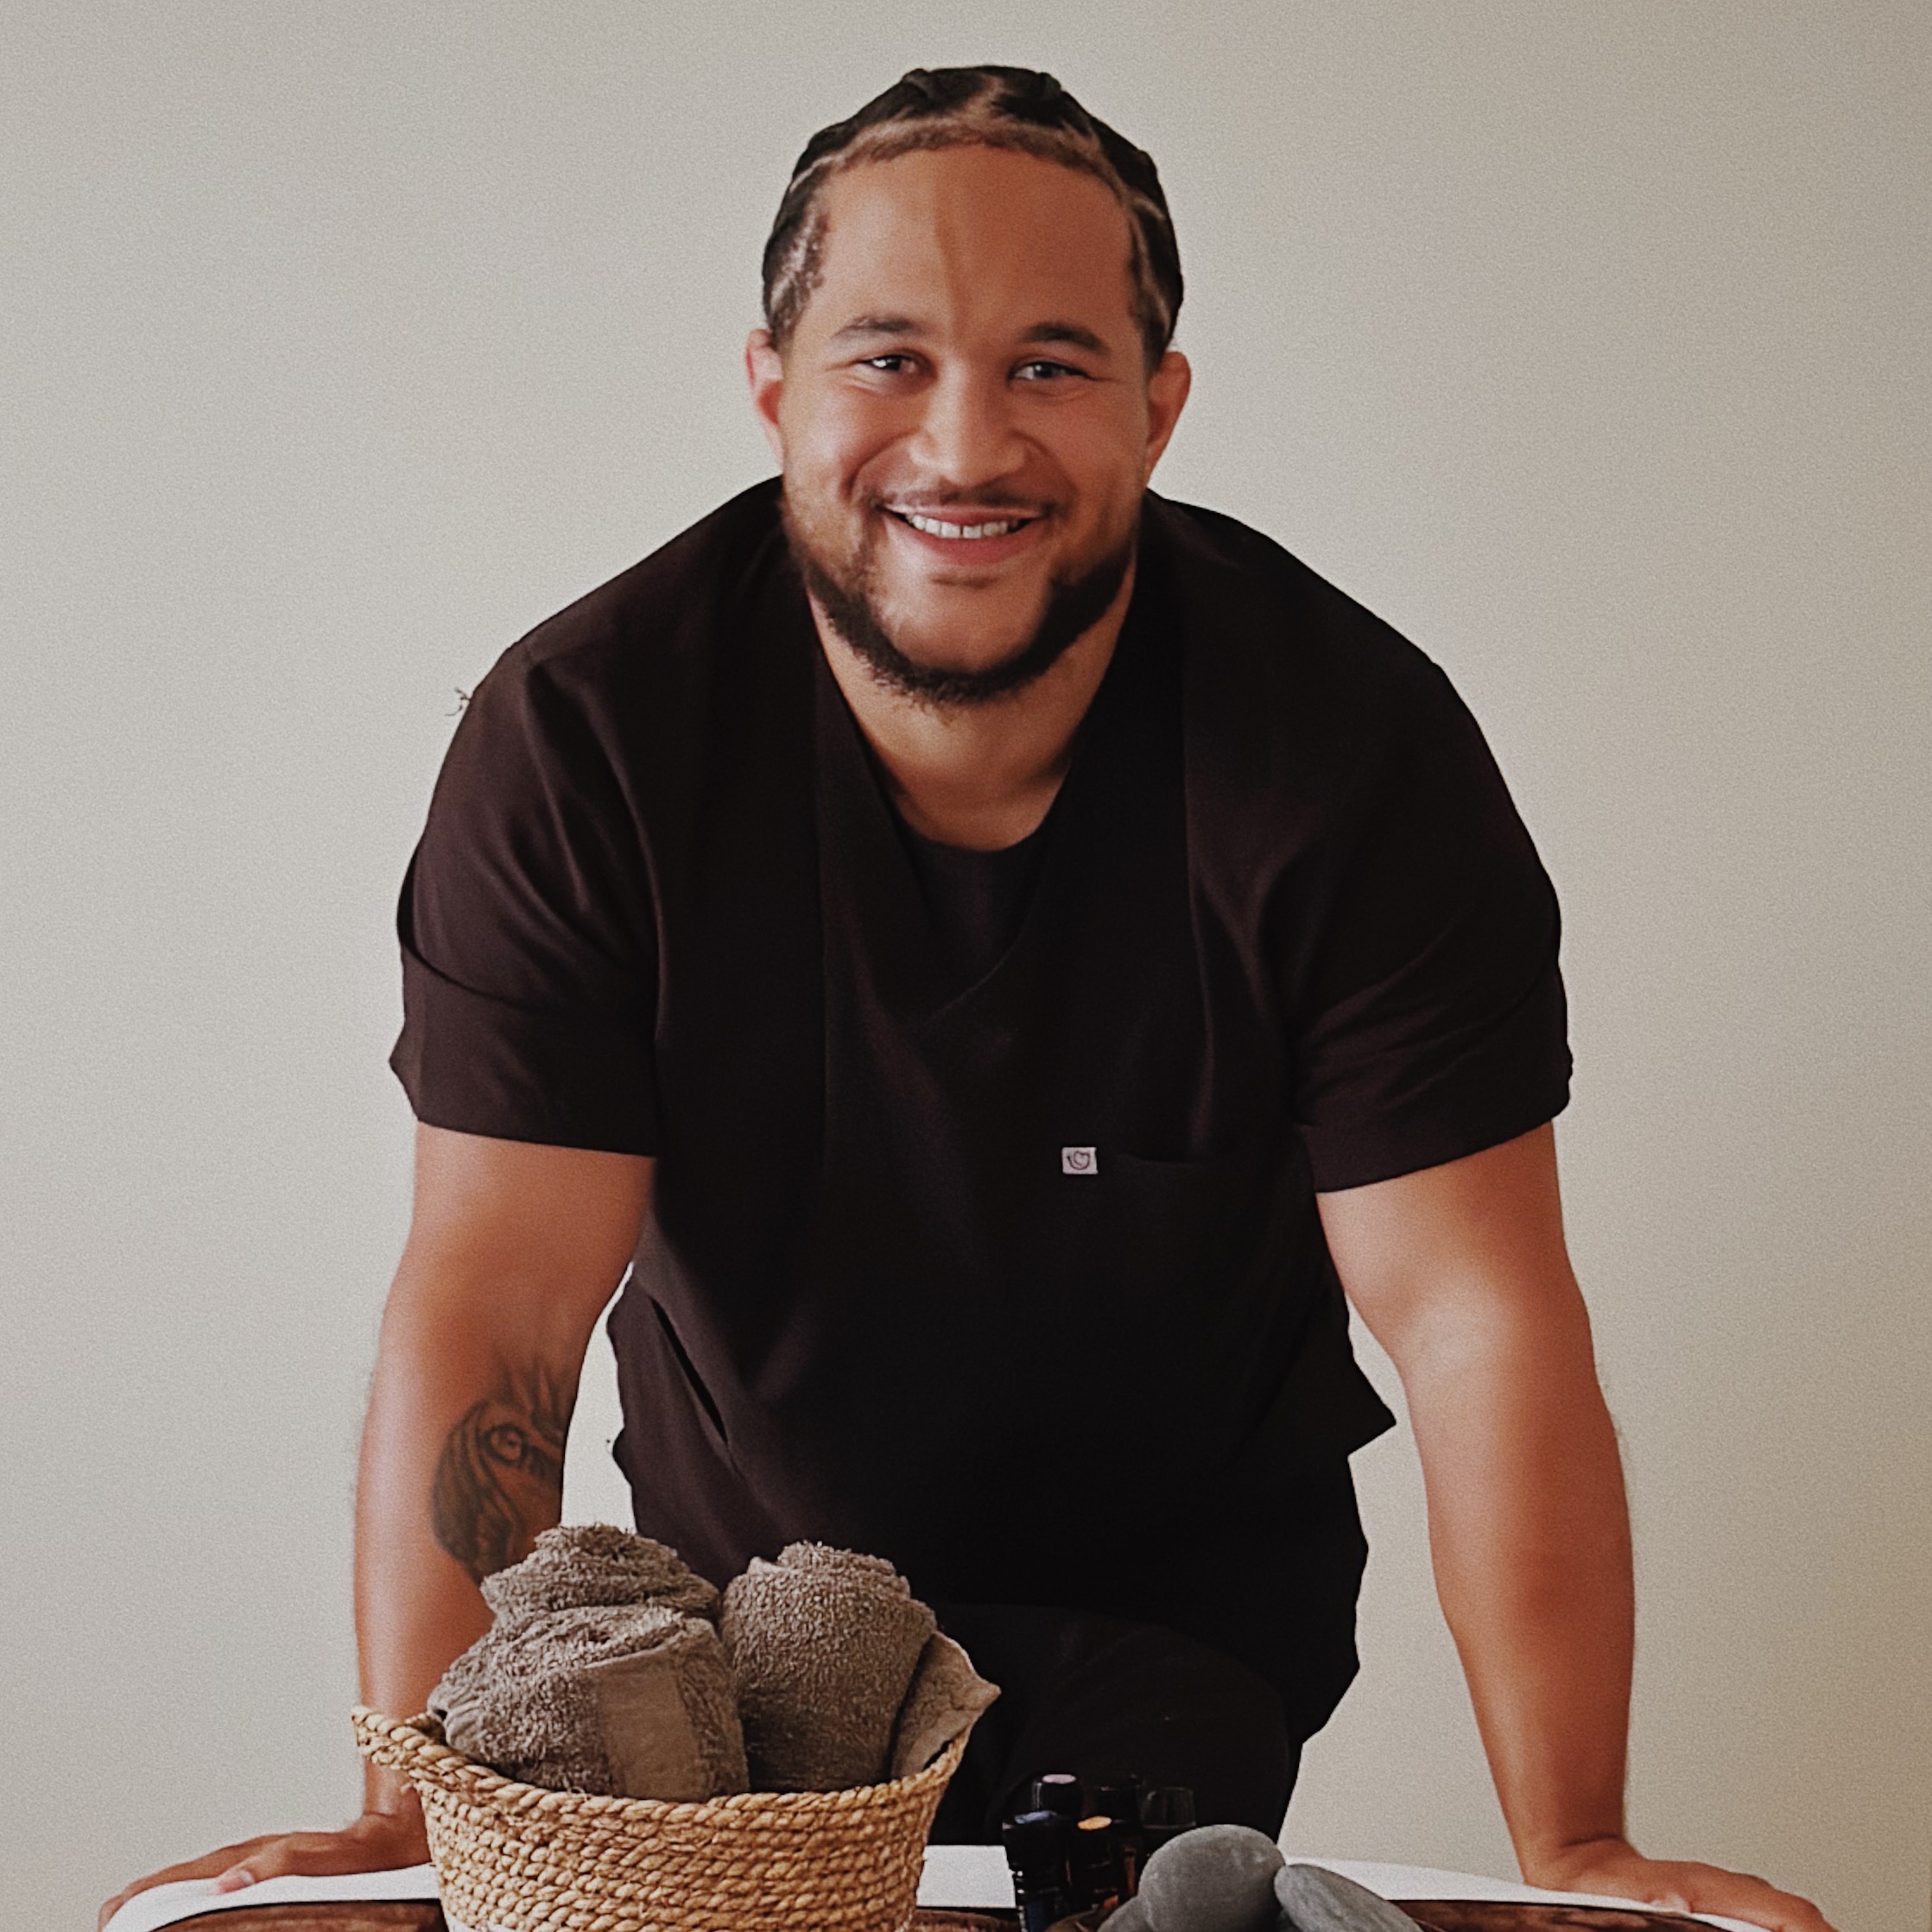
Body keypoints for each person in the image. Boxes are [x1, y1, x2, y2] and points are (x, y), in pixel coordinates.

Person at [104, 67, 1834, 1932]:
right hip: (734, 1654)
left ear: (1158, 407)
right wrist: (407, 1811)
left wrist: (1575, 1844)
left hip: (1184, 1637)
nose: (964, 441)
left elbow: (1477, 1317)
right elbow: (500, 1301)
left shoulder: (1351, 756)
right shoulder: (588, 740)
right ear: (773, 386)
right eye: (888, 358)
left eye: (1049, 364)